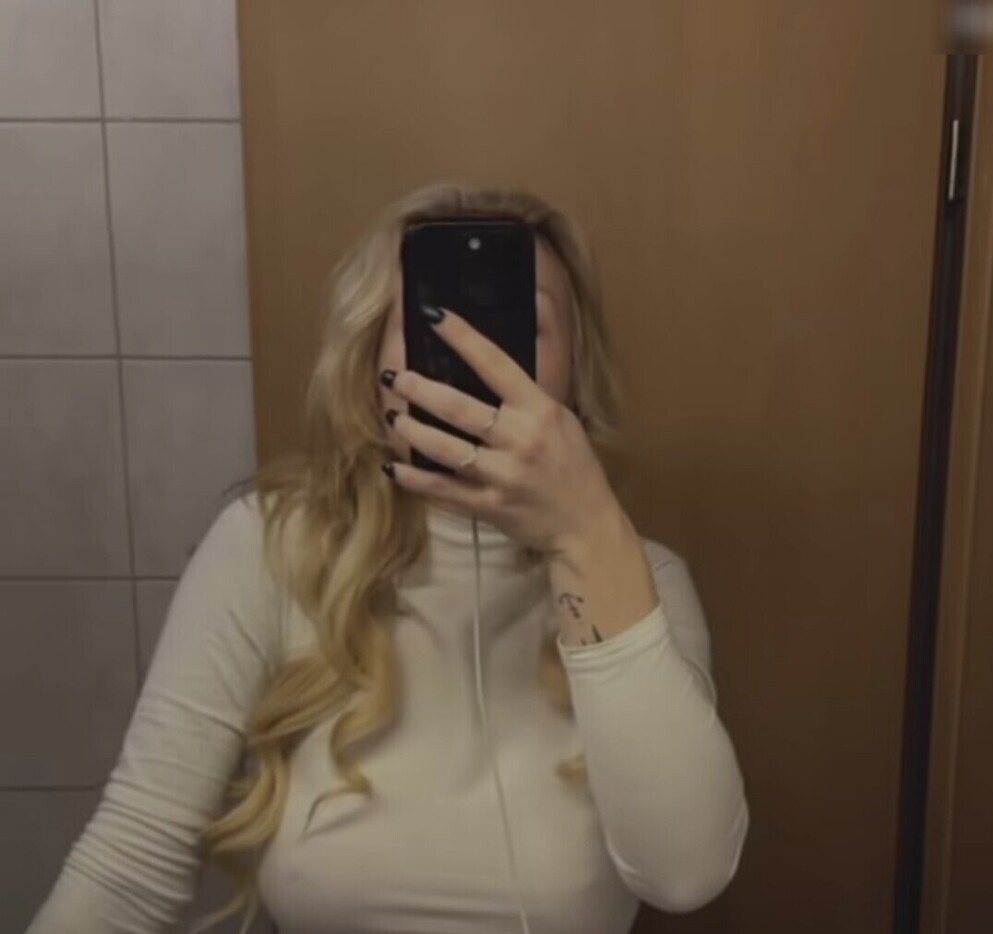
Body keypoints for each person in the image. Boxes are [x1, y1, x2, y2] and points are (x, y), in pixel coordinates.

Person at [27, 182, 749, 934]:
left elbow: (686, 873)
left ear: (574, 373)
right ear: (372, 362)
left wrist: (586, 532)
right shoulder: (270, 547)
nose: (474, 355)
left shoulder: (642, 578)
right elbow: (126, 870)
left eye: (516, 323)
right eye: (436, 320)